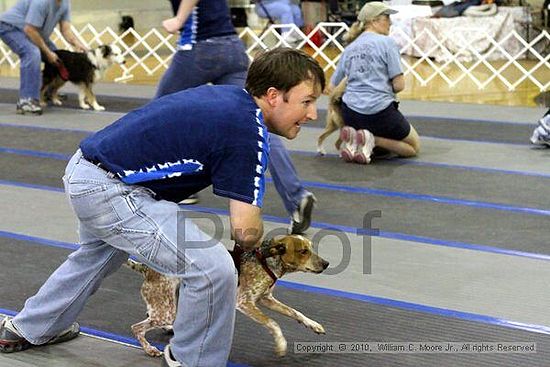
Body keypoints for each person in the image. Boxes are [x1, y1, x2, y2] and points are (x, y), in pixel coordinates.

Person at [0, 47, 325, 367]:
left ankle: (29, 327)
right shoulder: (247, 130)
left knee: (98, 256)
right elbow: (246, 231)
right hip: (112, 190)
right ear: (272, 95)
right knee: (213, 270)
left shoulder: (230, 100)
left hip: (87, 170)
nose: (312, 114)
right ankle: (192, 360)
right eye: (306, 102)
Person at [158, 0, 317, 234]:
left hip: (199, 47)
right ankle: (296, 196)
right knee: (256, 121)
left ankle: (174, 184)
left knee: (160, 112)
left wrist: (179, 20)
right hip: (232, 48)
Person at [329, 2, 420, 164]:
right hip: (380, 112)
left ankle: (356, 139)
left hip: (350, 114)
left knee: (384, 151)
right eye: (387, 17)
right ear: (373, 20)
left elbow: (332, 87)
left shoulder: (350, 48)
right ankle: (372, 140)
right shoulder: (387, 43)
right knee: (413, 147)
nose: (390, 22)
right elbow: (399, 85)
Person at [0, 0, 88, 115]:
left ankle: (48, 92)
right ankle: (27, 100)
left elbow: (66, 30)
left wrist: (78, 44)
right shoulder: (41, 2)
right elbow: (29, 30)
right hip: (10, 27)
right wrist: (47, 52)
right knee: (32, 53)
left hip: (33, 31)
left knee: (58, 56)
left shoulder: (65, 3)